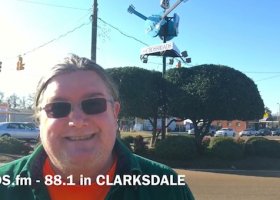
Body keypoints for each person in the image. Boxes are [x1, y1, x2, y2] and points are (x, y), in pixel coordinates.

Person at [0, 54, 194, 200]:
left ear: (115, 112)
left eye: (93, 104)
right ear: (39, 119)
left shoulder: (167, 189)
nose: (77, 120)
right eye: (58, 107)